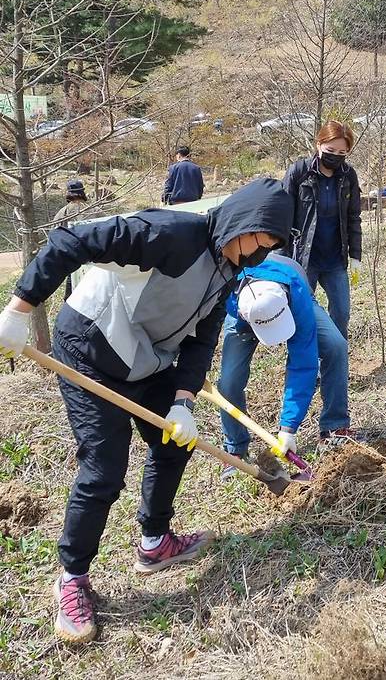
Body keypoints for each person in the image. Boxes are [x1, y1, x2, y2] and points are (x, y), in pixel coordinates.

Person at [0, 177, 292, 644]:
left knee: (176, 442)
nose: (261, 252)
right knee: (103, 470)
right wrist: (19, 308)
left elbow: (201, 341)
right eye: (261, 239)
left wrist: (183, 402)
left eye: (272, 246)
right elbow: (70, 241)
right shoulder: (168, 236)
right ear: (244, 221)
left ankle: (154, 542)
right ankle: (72, 578)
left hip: (145, 360)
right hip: (89, 349)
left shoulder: (227, 271)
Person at [218, 254, 354, 470]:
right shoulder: (224, 290)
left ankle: (334, 427)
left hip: (293, 296)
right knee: (228, 381)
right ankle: (235, 447)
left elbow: (303, 364)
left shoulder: (295, 292)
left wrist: (288, 428)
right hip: (242, 311)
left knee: (335, 345)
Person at [282, 120, 362, 341]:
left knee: (341, 313)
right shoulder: (299, 172)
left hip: (335, 258)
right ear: (318, 144)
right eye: (330, 150)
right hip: (304, 259)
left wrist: (356, 255)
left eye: (342, 152)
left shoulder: (348, 176)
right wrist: (281, 259)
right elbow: (281, 216)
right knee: (304, 315)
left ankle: (336, 364)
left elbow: (353, 217)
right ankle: (310, 365)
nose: (335, 156)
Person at [52, 180, 103, 299]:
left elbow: (55, 234)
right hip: (95, 258)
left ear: (68, 194)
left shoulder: (64, 212)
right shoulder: (95, 210)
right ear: (82, 193)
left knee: (71, 295)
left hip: (73, 258)